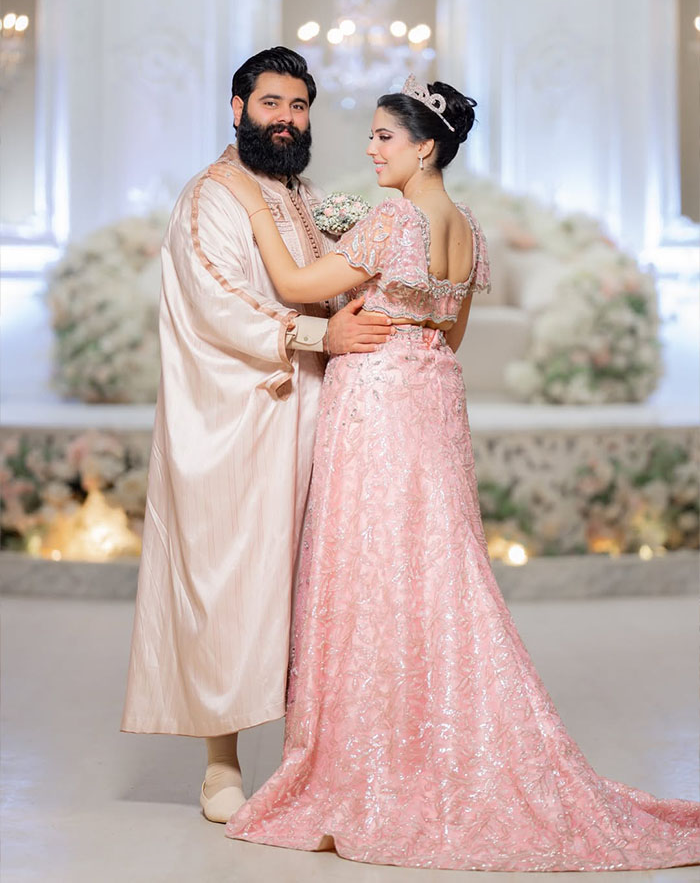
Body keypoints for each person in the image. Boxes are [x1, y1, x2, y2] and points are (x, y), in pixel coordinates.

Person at [217, 75, 700, 871]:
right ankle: (437, 738)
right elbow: (452, 333)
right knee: (437, 569)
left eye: (384, 136)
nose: (371, 148)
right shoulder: (466, 228)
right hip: (433, 396)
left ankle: (375, 760)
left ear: (425, 148)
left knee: (373, 571)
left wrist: (255, 209)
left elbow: (300, 287)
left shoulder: (391, 219)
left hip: (376, 402)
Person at [120, 47, 394, 823]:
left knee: (307, 585)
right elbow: (218, 300)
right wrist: (319, 336)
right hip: (234, 420)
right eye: (272, 103)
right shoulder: (212, 194)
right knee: (229, 583)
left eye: (299, 106)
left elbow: (323, 280)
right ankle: (220, 765)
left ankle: (313, 760)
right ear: (237, 109)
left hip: (309, 412)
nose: (287, 119)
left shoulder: (298, 193)